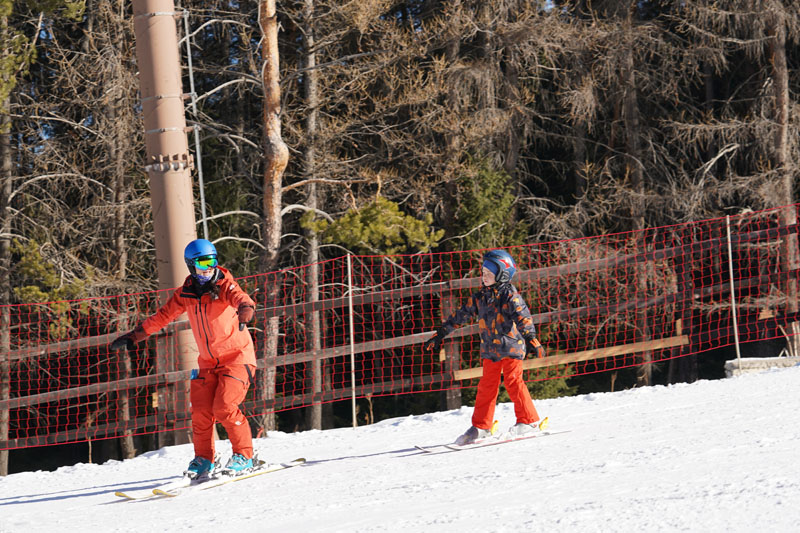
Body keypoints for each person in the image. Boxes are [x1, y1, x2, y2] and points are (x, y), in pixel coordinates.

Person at [111, 239, 257, 477]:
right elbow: (163, 316)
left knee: (225, 407)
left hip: (237, 358)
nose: (208, 267)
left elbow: (242, 298)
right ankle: (204, 459)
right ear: (191, 265)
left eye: (211, 261)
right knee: (200, 411)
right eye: (202, 263)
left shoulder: (224, 285)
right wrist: (135, 336)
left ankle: (245, 455)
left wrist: (245, 312)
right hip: (208, 363)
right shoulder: (186, 293)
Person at [424, 249, 546, 445]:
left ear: (502, 275)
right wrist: (440, 333)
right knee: (486, 387)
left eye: (489, 273)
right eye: (483, 272)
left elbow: (523, 317)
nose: (484, 276)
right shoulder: (480, 297)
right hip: (490, 350)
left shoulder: (510, 296)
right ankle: (482, 427)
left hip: (511, 348)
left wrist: (531, 338)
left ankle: (529, 421)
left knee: (514, 382)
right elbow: (460, 315)